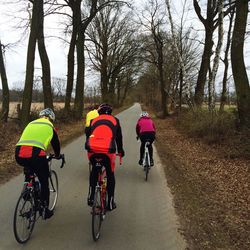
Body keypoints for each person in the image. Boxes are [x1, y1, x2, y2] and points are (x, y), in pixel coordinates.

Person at [15, 108, 61, 219]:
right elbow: (56, 144)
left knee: (29, 168)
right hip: (36, 155)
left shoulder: (31, 123)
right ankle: (45, 210)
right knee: (44, 180)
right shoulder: (50, 126)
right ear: (51, 118)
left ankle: (27, 188)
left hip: (19, 153)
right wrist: (58, 155)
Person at [85, 103, 125, 211]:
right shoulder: (115, 120)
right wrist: (120, 151)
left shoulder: (94, 120)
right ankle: (111, 202)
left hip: (92, 150)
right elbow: (119, 138)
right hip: (108, 151)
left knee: (94, 169)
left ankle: (91, 196)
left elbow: (87, 133)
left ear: (99, 112)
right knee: (110, 174)